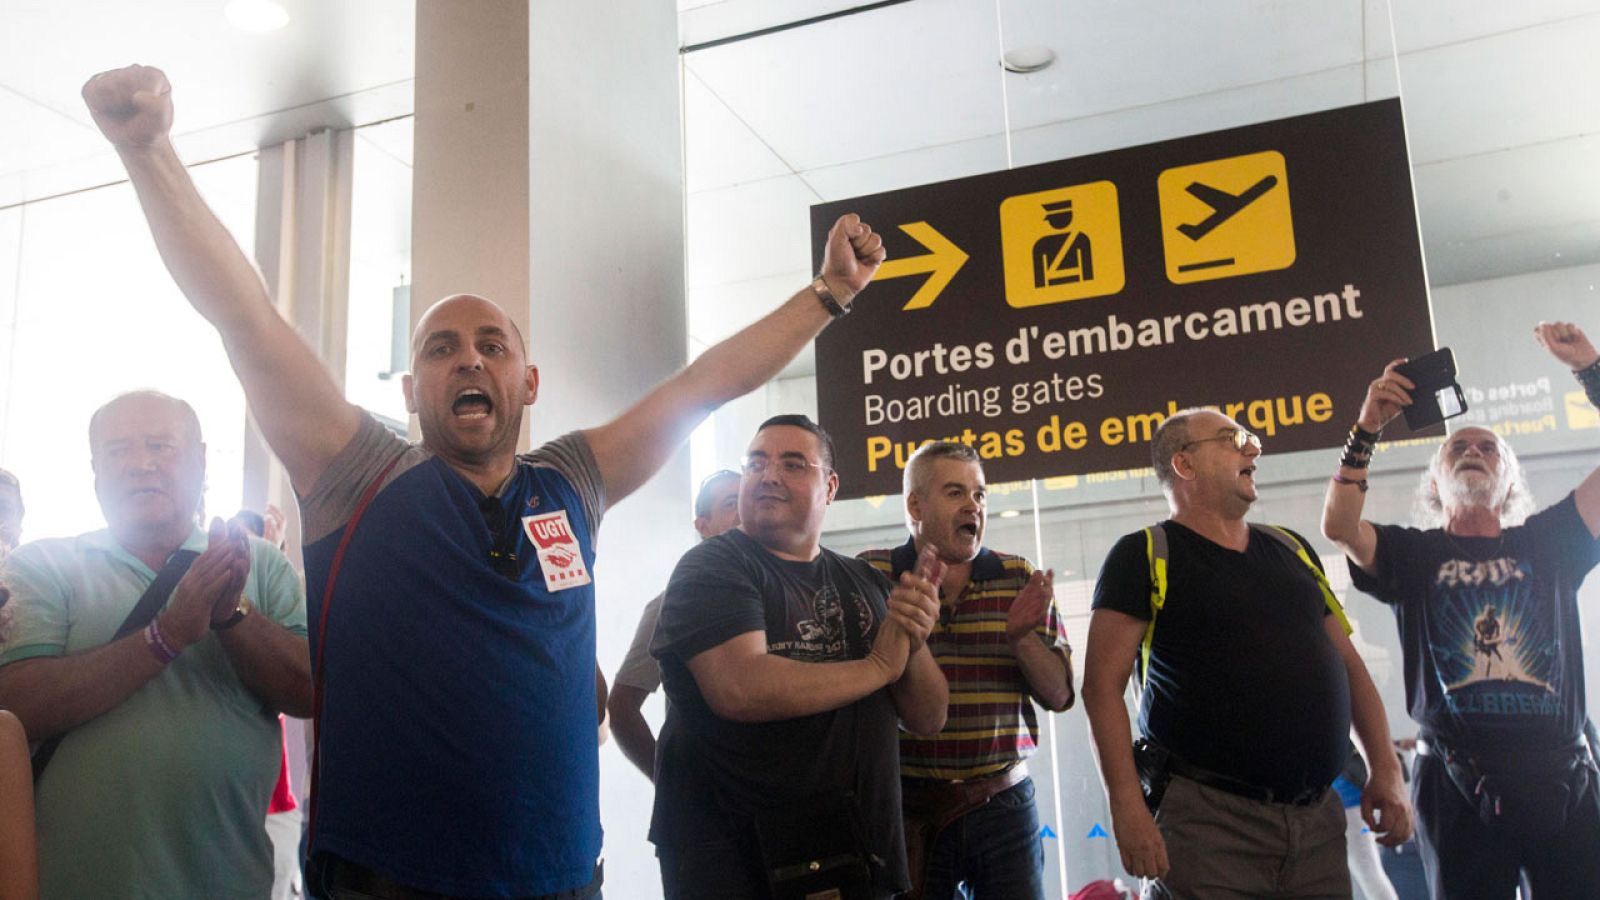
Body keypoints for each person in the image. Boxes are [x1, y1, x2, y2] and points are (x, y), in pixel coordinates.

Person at [83, 63, 886, 899]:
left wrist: (828, 293)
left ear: (528, 383)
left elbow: (705, 385)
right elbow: (243, 313)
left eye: (491, 345)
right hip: (390, 882)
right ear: (411, 392)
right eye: (440, 347)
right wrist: (149, 151)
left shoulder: (575, 480)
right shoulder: (354, 471)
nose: (467, 356)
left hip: (562, 879)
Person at [1321, 321, 1600, 899]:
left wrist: (1592, 370)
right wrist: (1368, 426)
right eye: (1458, 447)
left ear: (1509, 482)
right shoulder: (1412, 554)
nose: (1474, 451)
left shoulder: (1550, 541)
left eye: (1489, 449)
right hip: (1455, 778)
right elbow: (1340, 525)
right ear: (1436, 482)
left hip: (1563, 775)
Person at [1083, 407, 1411, 899]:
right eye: (1232, 438)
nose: (1252, 448)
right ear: (1185, 465)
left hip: (1316, 822)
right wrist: (1126, 806)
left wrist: (1384, 767)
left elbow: (1349, 665)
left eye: (1250, 438)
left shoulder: (1292, 548)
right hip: (1207, 828)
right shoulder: (1143, 554)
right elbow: (1101, 688)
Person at [0, 391, 311, 899]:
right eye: (118, 451)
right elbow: (16, 703)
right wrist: (163, 637)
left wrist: (233, 616)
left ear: (201, 460)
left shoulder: (259, 564)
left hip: (230, 882)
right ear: (96, 469)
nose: (140, 465)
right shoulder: (44, 566)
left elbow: (310, 692)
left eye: (159, 446)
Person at [648, 415, 949, 899]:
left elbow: (929, 716)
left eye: (792, 464)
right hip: (734, 860)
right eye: (756, 463)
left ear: (829, 487)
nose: (769, 475)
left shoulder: (867, 581)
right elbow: (740, 689)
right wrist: (876, 667)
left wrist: (910, 634)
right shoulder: (712, 566)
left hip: (857, 856)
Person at [858, 441, 1074, 900]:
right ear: (915, 504)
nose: (973, 505)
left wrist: (1021, 638)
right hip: (905, 805)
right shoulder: (871, 575)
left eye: (980, 494)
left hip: (1003, 807)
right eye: (956, 492)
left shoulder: (1019, 577)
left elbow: (1059, 695)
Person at [608, 468, 741, 780]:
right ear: (703, 526)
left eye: (747, 500)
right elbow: (622, 707)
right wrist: (669, 785)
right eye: (730, 503)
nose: (743, 512)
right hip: (707, 814)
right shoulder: (673, 603)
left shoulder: (779, 592)